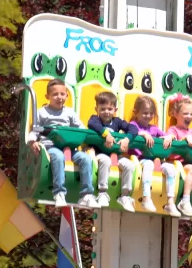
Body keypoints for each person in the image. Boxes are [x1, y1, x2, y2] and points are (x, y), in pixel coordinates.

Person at [29, 79, 98, 208]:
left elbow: (81, 129)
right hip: (51, 146)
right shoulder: (42, 112)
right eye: (55, 94)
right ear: (47, 97)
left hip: (69, 147)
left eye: (62, 94)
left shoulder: (70, 112)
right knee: (58, 156)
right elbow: (35, 130)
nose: (59, 97)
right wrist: (32, 141)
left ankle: (86, 194)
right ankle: (59, 192)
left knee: (85, 158)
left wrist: (88, 144)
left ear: (67, 95)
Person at [86, 91, 138, 209]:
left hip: (115, 155)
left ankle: (124, 195)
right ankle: (102, 192)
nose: (106, 112)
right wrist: (106, 134)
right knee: (105, 160)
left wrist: (127, 139)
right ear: (96, 109)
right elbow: (91, 124)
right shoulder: (95, 119)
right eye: (103, 109)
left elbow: (133, 128)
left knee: (129, 165)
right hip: (99, 153)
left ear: (115, 109)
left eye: (110, 109)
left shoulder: (117, 121)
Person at [127, 96, 176, 213]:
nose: (148, 116)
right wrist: (143, 134)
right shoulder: (133, 125)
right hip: (140, 160)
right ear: (136, 112)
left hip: (156, 160)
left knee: (170, 168)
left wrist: (169, 137)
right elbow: (131, 132)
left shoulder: (154, 129)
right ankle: (146, 197)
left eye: (151, 113)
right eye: (145, 113)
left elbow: (170, 136)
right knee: (148, 164)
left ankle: (170, 201)